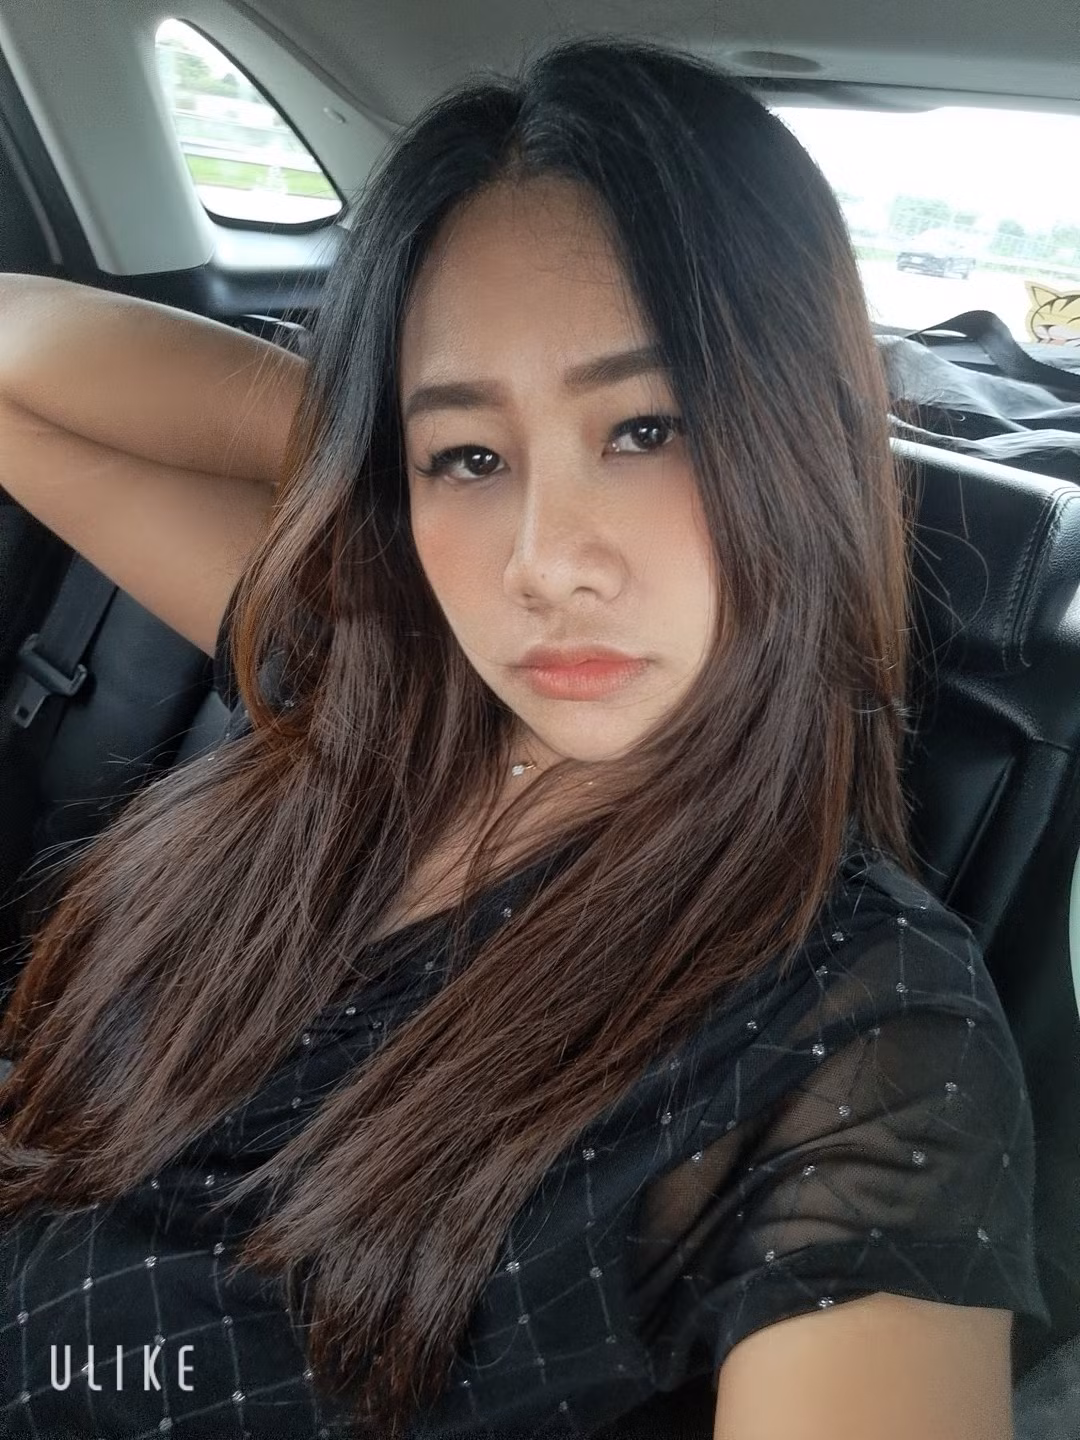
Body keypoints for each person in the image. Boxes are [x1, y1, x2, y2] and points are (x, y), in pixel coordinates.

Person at [0, 33, 1051, 1440]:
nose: (546, 564)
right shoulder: (379, 686)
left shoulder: (871, 1040)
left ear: (806, 434)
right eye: (473, 460)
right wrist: (367, 450)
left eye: (649, 429)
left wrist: (456, 438)